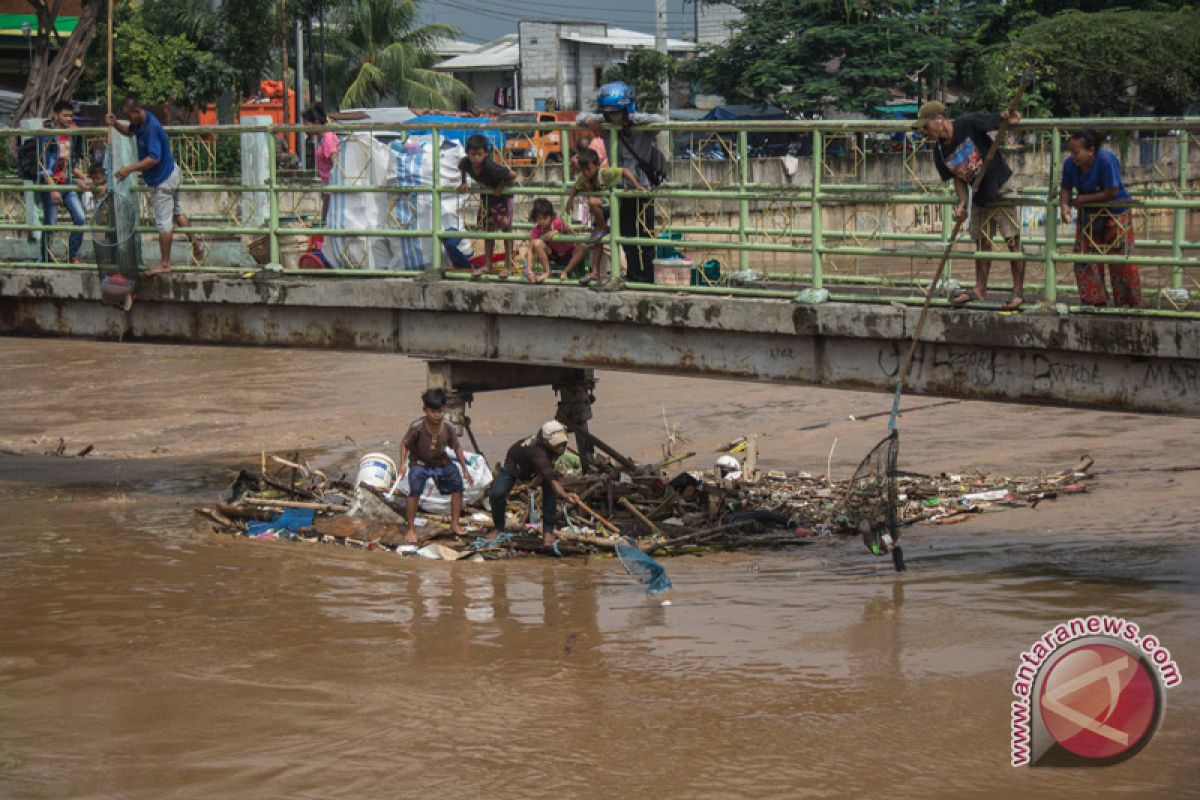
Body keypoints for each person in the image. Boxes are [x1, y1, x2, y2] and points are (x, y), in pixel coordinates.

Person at [916, 100, 1026, 310]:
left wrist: (1011, 117)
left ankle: (1018, 292)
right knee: (982, 242)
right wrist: (963, 203)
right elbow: (957, 177)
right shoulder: (939, 152)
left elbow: (1001, 119)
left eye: (926, 126)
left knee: (1012, 239)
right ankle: (980, 289)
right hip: (977, 194)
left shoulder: (968, 123)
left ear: (939, 119)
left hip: (999, 185)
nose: (924, 132)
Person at [106, 97, 203, 276]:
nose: (129, 119)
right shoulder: (141, 122)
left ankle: (165, 263)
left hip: (163, 179)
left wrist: (129, 168)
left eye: (129, 116)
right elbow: (129, 131)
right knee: (177, 213)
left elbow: (154, 158)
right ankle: (197, 244)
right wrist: (115, 124)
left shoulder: (151, 127)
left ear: (137, 112)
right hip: (171, 172)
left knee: (164, 224)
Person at [577, 82, 664, 284]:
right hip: (620, 189)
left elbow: (660, 119)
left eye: (616, 112)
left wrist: (631, 120)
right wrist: (592, 120)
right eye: (609, 113)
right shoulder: (606, 125)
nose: (612, 117)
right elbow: (579, 118)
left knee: (646, 234)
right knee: (626, 234)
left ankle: (648, 277)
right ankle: (633, 275)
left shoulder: (642, 126)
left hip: (642, 188)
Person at [1059, 130, 1140, 308]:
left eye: (1076, 152)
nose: (1073, 157)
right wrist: (1064, 206)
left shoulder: (1106, 160)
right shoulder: (1070, 165)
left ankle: (1127, 304)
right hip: (1088, 215)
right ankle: (1093, 301)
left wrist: (1083, 199)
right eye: (1071, 152)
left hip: (1115, 213)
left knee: (1121, 260)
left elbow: (1111, 190)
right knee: (1084, 258)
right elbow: (1065, 187)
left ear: (1091, 151)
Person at [397, 388, 474, 544]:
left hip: (441, 462)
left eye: (440, 411)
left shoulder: (448, 427)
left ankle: (455, 524)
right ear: (425, 410)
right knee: (414, 491)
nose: (437, 415)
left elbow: (457, 448)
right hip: (420, 463)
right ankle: (411, 529)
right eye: (433, 412)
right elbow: (405, 444)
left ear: (444, 409)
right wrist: (402, 464)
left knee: (457, 485)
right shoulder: (417, 427)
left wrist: (465, 470)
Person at [489, 421, 581, 548]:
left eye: (563, 443)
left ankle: (548, 532)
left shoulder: (555, 447)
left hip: (539, 468)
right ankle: (498, 527)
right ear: (544, 441)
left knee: (550, 492)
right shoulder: (536, 451)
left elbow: (550, 474)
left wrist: (542, 474)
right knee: (497, 494)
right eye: (558, 444)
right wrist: (565, 495)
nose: (562, 446)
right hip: (516, 466)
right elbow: (553, 479)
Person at [563, 148, 642, 285]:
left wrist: (637, 185)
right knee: (597, 241)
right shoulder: (584, 179)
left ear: (596, 165)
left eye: (588, 169)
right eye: (583, 170)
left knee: (592, 204)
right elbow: (575, 187)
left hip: (612, 206)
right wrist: (570, 200)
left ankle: (602, 228)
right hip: (601, 211)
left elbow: (624, 171)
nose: (586, 173)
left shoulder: (604, 173)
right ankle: (595, 271)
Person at [37, 100, 87, 264]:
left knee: (80, 218)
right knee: (50, 222)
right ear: (56, 115)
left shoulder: (70, 135)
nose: (68, 119)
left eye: (71, 116)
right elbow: (42, 165)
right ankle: (45, 258)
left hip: (67, 182)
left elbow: (70, 163)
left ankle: (72, 254)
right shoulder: (47, 134)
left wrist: (82, 177)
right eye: (65, 115)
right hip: (51, 183)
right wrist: (53, 189)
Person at [458, 133, 515, 278]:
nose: (476, 158)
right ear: (467, 153)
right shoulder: (466, 162)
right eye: (473, 154)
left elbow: (512, 175)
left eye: (479, 154)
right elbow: (462, 168)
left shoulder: (490, 166)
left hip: (503, 198)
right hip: (488, 198)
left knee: (506, 232)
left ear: (486, 154)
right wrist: (464, 182)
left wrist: (500, 188)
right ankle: (488, 265)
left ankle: (508, 267)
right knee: (488, 232)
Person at [526, 198, 579, 283]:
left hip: (569, 253)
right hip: (554, 255)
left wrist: (557, 231)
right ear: (536, 218)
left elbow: (574, 235)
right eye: (539, 218)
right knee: (536, 243)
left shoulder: (557, 223)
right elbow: (530, 250)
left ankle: (565, 272)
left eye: (545, 218)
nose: (542, 221)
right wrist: (529, 271)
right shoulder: (536, 230)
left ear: (551, 216)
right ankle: (548, 272)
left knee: (583, 247)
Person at [303, 102, 339, 223]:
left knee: (327, 222)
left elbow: (336, 164)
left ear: (316, 123)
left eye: (307, 125)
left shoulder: (328, 138)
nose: (305, 129)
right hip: (327, 189)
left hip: (331, 189)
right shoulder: (320, 138)